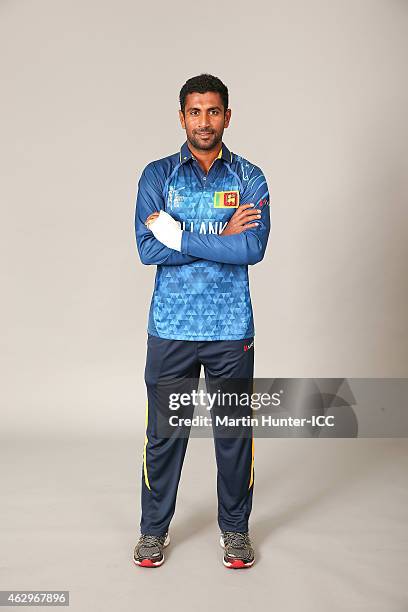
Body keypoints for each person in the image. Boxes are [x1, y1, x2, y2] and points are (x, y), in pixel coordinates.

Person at [133, 74, 271, 569]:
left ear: (227, 116)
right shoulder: (157, 175)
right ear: (182, 117)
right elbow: (148, 247)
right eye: (195, 111)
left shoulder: (250, 177)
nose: (204, 121)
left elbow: (251, 248)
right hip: (171, 328)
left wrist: (179, 232)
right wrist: (217, 234)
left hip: (231, 330)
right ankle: (153, 532)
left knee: (233, 435)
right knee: (165, 435)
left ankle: (235, 531)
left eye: (213, 111)